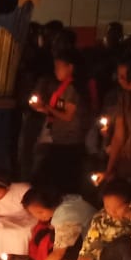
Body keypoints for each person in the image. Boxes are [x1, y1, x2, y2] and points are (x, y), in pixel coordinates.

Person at [30, 50, 93, 194]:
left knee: (64, 178)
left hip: (69, 140)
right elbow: (58, 112)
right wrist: (41, 108)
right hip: (60, 138)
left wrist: (46, 107)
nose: (56, 70)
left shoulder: (72, 88)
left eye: (59, 67)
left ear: (70, 67)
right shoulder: (63, 87)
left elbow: (68, 116)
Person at [71, 177, 131, 260]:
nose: (112, 212)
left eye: (117, 207)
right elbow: (89, 250)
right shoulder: (101, 219)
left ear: (129, 203)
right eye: (107, 207)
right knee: (122, 245)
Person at [21, 188, 95, 260]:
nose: (37, 216)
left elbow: (58, 253)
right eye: (33, 213)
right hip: (89, 239)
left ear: (50, 204)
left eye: (40, 212)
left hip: (96, 250)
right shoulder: (66, 200)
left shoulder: (64, 216)